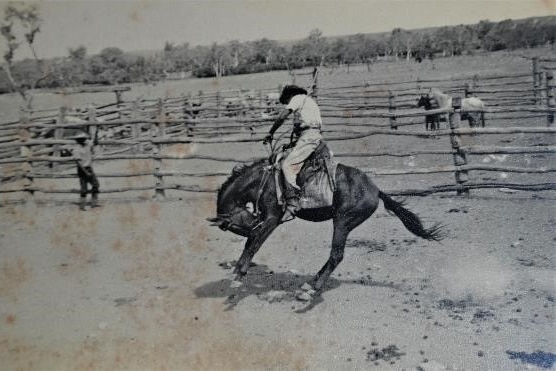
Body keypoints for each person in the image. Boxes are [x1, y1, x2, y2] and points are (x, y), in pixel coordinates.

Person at [263, 85, 323, 222]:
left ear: (289, 96)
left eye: (286, 101)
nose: (287, 104)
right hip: (308, 136)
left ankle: (292, 204)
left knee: (287, 165)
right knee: (281, 156)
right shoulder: (309, 101)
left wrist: (270, 132)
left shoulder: (297, 99)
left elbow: (283, 116)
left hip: (309, 137)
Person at [67, 131, 100, 210]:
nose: (83, 140)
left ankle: (93, 203)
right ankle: (82, 205)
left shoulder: (87, 144)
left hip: (88, 168)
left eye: (83, 138)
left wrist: (96, 133)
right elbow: (78, 163)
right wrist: (86, 172)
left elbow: (95, 142)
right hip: (82, 169)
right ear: (77, 140)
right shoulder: (76, 149)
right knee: (84, 187)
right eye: (81, 139)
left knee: (95, 185)